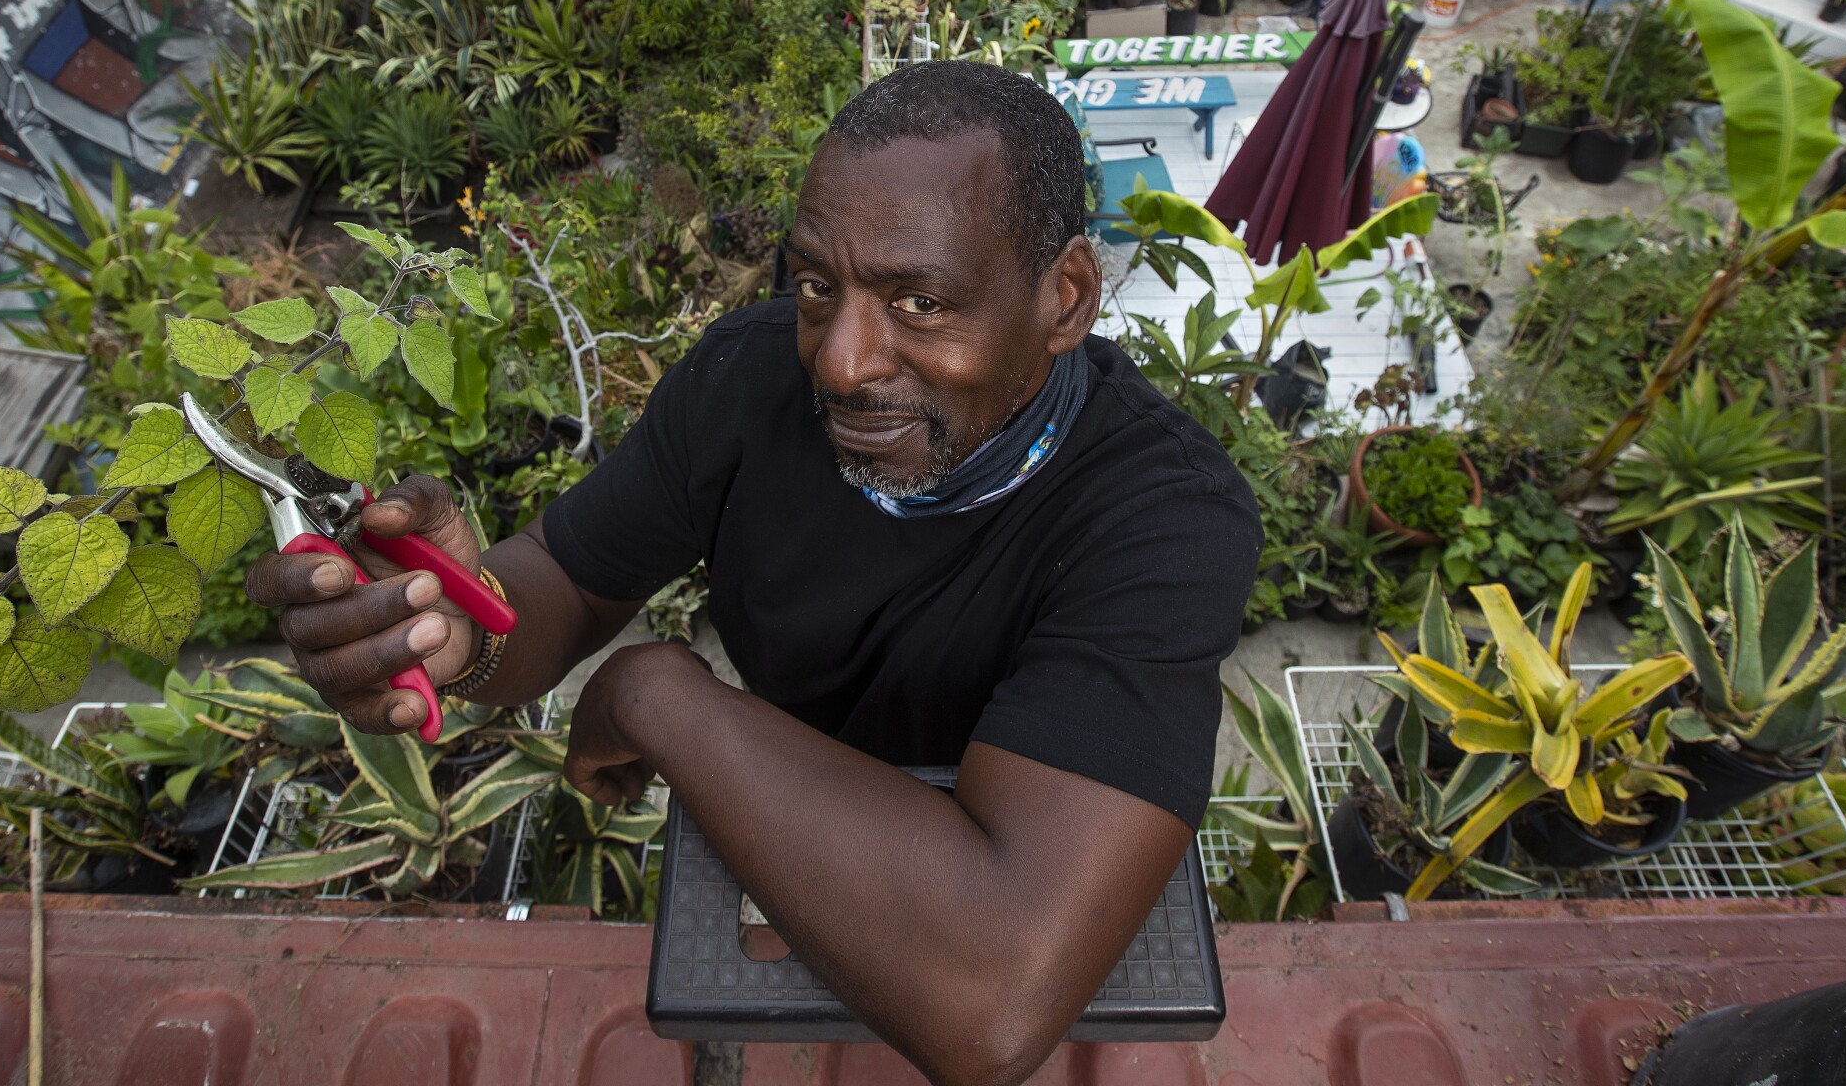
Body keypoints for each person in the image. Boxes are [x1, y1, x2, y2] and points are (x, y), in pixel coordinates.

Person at [249, 61, 1260, 1086]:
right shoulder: (748, 382)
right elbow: (563, 576)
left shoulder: (1161, 520)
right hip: (795, 824)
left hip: (993, 879)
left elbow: (989, 998)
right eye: (819, 285)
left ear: (1066, 298)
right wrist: (454, 632)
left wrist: (661, 694)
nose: (841, 360)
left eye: (920, 300)